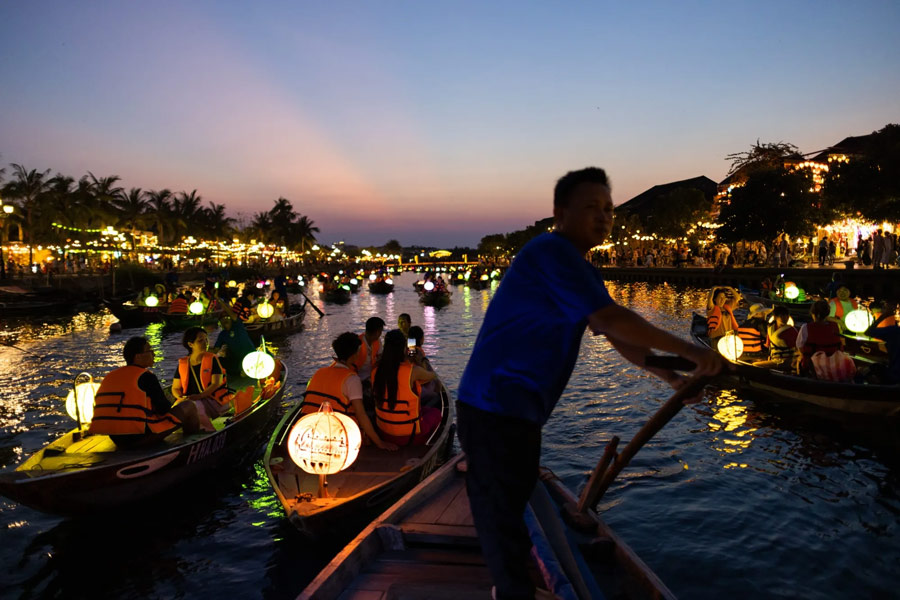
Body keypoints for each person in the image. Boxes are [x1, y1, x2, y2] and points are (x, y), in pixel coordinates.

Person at [456, 167, 723, 600]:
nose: (603, 218)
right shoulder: (550, 252)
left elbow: (618, 338)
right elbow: (611, 319)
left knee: (514, 507)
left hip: (520, 413)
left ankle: (514, 590)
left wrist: (672, 372)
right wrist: (695, 353)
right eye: (591, 208)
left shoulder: (582, 270)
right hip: (492, 408)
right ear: (560, 213)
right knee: (502, 525)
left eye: (609, 210)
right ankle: (511, 593)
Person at [88, 336, 200, 447]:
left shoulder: (110, 376)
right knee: (189, 406)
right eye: (150, 351)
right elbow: (163, 409)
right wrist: (174, 401)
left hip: (116, 438)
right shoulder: (146, 376)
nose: (154, 354)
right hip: (141, 437)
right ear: (138, 357)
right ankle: (193, 445)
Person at [301, 332, 397, 451]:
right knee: (371, 414)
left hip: (309, 429)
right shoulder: (351, 379)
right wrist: (380, 443)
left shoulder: (319, 372)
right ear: (354, 355)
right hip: (338, 435)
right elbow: (361, 415)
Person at [373, 329, 442, 447]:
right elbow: (433, 375)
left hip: (384, 432)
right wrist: (422, 359)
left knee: (424, 410)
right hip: (409, 436)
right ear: (403, 348)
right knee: (436, 413)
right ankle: (428, 445)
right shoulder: (412, 371)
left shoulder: (375, 371)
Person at [172, 327, 231, 431]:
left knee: (195, 405)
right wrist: (181, 397)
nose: (206, 343)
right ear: (191, 344)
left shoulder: (212, 359)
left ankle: (206, 430)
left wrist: (199, 396)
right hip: (191, 400)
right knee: (176, 408)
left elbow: (216, 383)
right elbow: (175, 388)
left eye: (206, 339)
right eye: (200, 340)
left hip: (212, 401)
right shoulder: (182, 363)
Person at [796, 300, 844, 376]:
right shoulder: (835, 326)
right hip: (834, 364)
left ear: (816, 315)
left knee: (798, 359)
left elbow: (799, 346)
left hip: (812, 366)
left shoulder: (806, 327)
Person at [214, 300, 257, 379]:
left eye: (226, 318)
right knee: (219, 361)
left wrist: (218, 299)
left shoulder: (238, 325)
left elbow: (232, 314)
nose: (225, 320)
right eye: (222, 320)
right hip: (238, 360)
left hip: (251, 357)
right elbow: (215, 350)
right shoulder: (222, 334)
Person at [865, 302, 900, 384]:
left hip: (894, 375)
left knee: (871, 369)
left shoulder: (894, 331)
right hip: (894, 373)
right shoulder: (894, 331)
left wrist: (884, 316)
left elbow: (869, 332)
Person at [351, 316, 385, 385]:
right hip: (358, 380)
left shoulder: (378, 341)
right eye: (381, 331)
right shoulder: (357, 343)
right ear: (377, 332)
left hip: (372, 378)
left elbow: (380, 357)